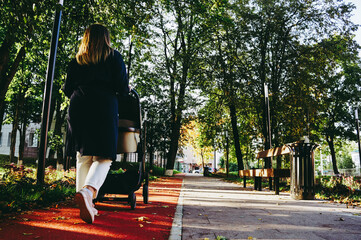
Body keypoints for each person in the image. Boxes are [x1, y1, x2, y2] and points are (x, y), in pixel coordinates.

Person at [63, 24, 129, 224]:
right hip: (103, 106)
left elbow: (67, 89)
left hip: (79, 105)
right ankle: (88, 191)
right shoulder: (114, 57)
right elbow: (122, 88)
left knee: (83, 156)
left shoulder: (77, 60)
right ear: (106, 38)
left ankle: (86, 203)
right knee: (104, 156)